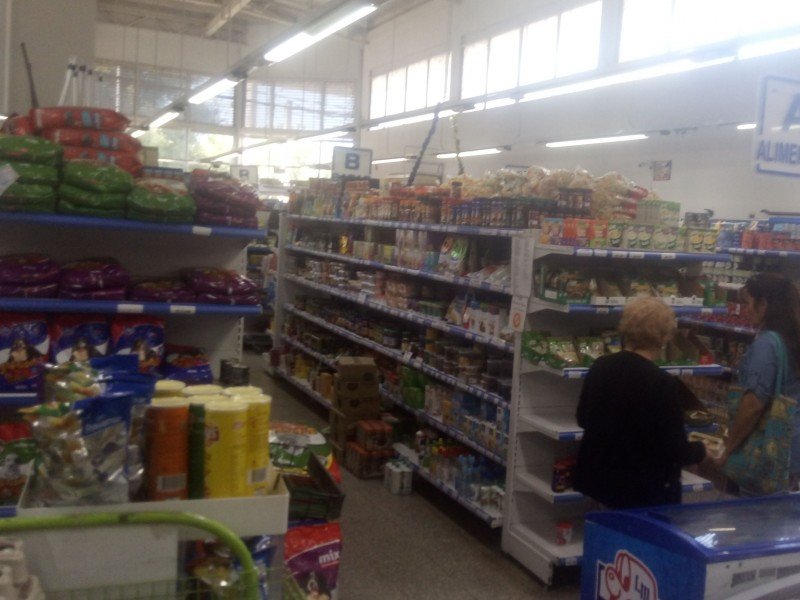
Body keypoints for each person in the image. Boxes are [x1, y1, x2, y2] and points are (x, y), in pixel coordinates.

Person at [574, 297, 707, 509]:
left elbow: (583, 418)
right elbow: (675, 449)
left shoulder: (600, 366)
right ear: (663, 337)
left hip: (599, 483)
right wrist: (702, 450)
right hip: (642, 491)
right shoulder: (662, 383)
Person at [713, 273, 800, 492]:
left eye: (748, 303)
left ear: (764, 305)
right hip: (792, 446)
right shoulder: (794, 339)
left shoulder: (768, 344)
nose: (745, 310)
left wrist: (728, 447)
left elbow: (753, 405)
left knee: (756, 509)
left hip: (768, 452)